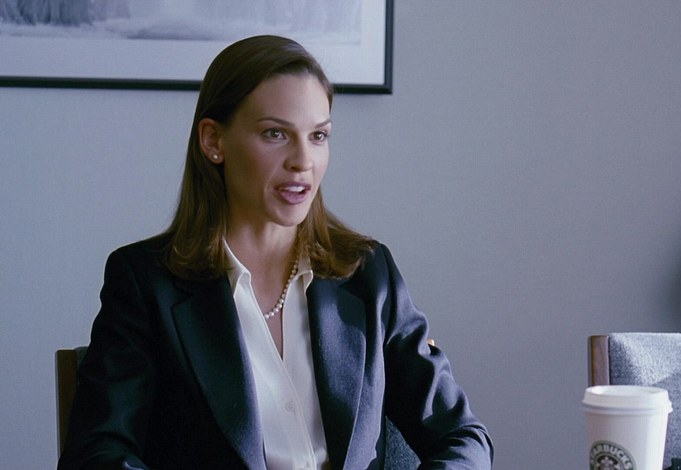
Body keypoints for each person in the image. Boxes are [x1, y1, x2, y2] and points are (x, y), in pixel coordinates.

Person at [57, 35, 493, 469]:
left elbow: (463, 438)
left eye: (318, 135)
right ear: (213, 141)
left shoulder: (369, 274)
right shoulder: (144, 282)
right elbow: (96, 454)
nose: (303, 160)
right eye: (275, 134)